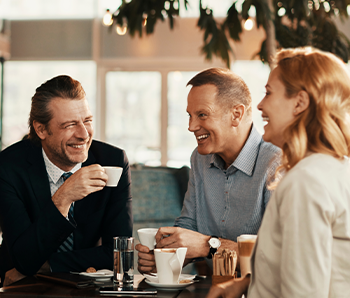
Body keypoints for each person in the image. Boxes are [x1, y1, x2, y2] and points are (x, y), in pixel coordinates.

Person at [206, 47, 350, 298]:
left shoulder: (306, 181)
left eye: (269, 93)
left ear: (300, 102)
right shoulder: (337, 167)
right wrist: (248, 284)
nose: (260, 104)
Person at [137, 68, 281, 273]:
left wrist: (208, 245)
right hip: (212, 288)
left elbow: (278, 256)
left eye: (202, 115)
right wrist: (167, 255)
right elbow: (189, 225)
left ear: (236, 114)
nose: (191, 126)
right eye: (190, 115)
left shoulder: (277, 163)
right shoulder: (199, 159)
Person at [0, 75, 132, 287]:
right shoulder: (9, 167)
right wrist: (63, 198)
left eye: (87, 121)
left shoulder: (113, 161)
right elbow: (23, 258)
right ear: (41, 129)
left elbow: (119, 253)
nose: (83, 134)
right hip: (20, 287)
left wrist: (47, 266)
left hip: (85, 285)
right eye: (70, 124)